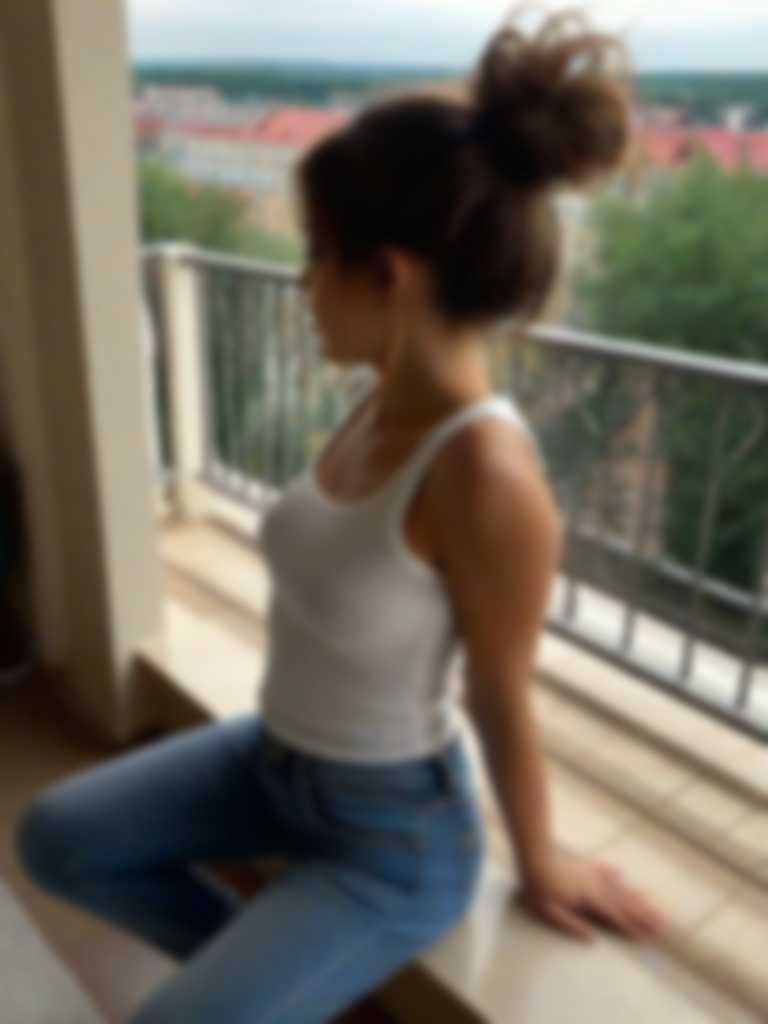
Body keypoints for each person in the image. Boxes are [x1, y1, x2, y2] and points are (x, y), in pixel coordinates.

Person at [13, 9, 667, 1022]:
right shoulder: (377, 397)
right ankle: (274, 985)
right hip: (272, 758)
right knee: (56, 837)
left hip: (391, 837)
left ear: (388, 276)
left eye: (316, 256)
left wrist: (541, 857)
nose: (303, 287)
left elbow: (500, 691)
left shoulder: (487, 473)